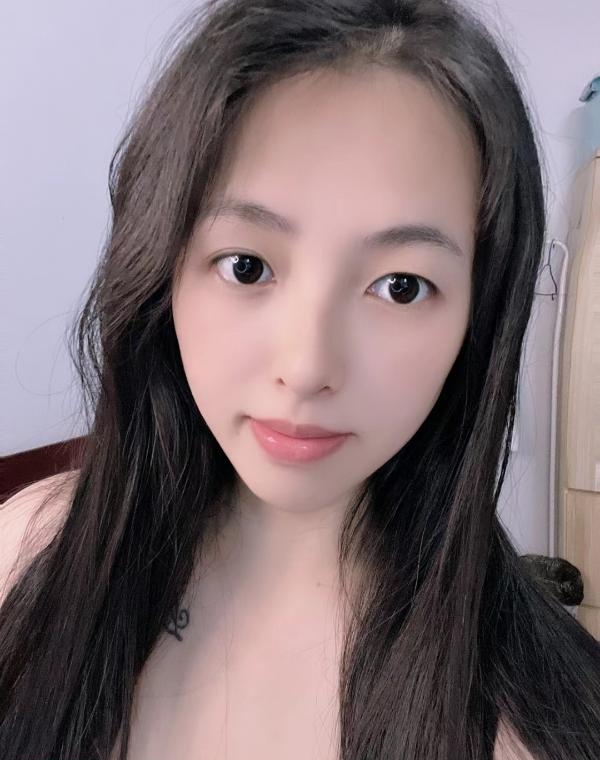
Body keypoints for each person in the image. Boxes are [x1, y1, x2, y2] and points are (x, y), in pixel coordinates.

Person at [1, 1, 599, 758]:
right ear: (160, 273)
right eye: (247, 266)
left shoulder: (539, 728)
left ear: (477, 317)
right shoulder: (26, 555)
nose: (308, 367)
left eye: (401, 287)